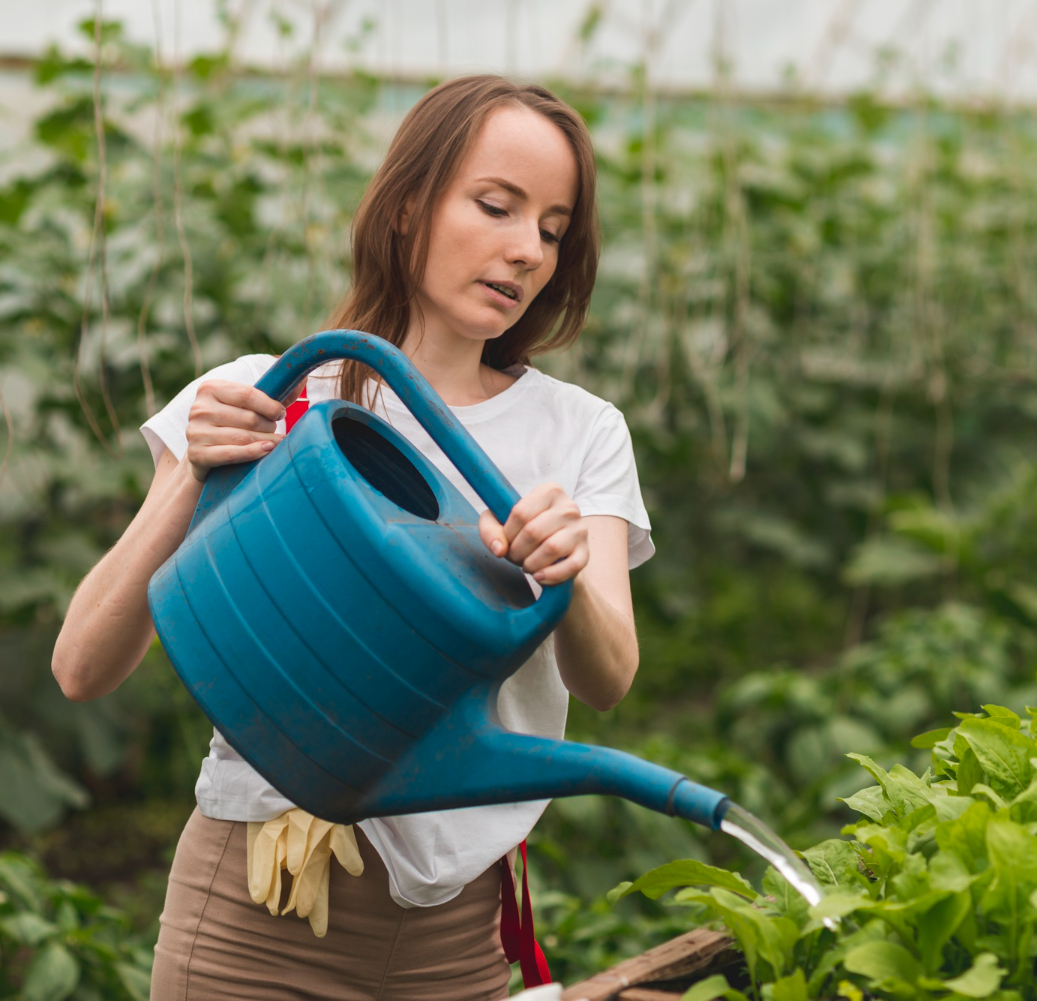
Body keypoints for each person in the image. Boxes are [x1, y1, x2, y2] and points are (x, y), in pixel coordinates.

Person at [51, 74, 653, 1001]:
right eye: (497, 206)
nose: (525, 249)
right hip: (252, 922)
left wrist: (564, 574)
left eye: (552, 228)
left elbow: (608, 679)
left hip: (457, 936)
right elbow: (83, 666)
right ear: (408, 206)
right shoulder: (271, 395)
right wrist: (187, 478)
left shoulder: (577, 434)